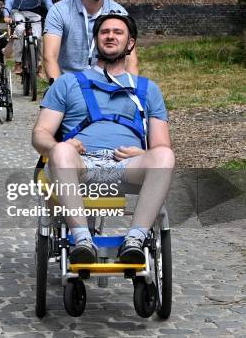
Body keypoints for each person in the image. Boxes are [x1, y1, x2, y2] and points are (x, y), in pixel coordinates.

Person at [32, 13, 174, 265]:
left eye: (118, 32)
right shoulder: (67, 83)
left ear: (130, 43)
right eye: (104, 32)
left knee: (164, 156)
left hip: (127, 166)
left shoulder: (148, 89)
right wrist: (58, 146)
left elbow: (161, 145)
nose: (110, 36)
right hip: (81, 164)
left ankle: (135, 241)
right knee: (62, 151)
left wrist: (143, 154)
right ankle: (82, 240)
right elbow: (40, 133)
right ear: (95, 40)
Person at [3, 0, 53, 76]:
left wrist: (53, 13)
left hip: (34, 11)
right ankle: (18, 63)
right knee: (19, 30)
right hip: (17, 11)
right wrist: (6, 15)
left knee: (38, 37)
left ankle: (39, 65)